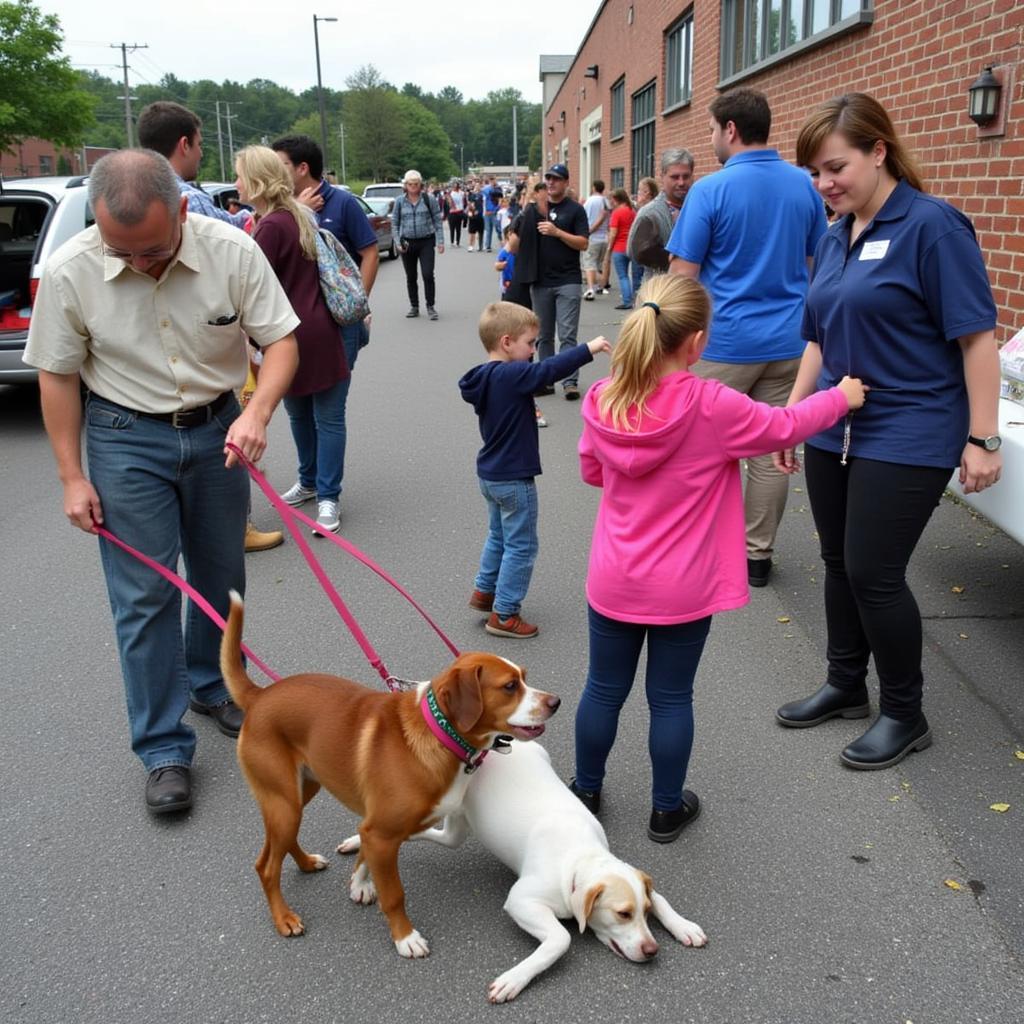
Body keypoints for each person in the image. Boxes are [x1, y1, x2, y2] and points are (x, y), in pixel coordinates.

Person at [23, 150, 299, 815]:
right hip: (124, 439)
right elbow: (57, 375)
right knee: (144, 597)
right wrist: (71, 476)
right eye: (123, 251)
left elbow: (281, 341)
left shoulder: (232, 251)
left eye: (151, 249)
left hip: (217, 431)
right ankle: (163, 748)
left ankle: (211, 683)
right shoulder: (70, 271)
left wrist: (257, 412)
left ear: (180, 209)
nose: (138, 263)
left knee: (220, 576)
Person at [570, 274, 865, 841]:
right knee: (671, 696)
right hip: (683, 585)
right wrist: (841, 396)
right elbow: (784, 424)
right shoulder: (713, 405)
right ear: (698, 342)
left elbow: (591, 472)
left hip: (614, 577)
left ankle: (585, 790)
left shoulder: (603, 398)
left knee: (603, 688)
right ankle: (664, 808)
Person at [772, 92, 1002, 769]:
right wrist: (793, 415)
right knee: (839, 562)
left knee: (874, 571)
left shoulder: (932, 226)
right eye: (815, 172)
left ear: (879, 149)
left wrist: (982, 436)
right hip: (832, 427)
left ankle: (904, 711)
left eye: (835, 166)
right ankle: (846, 684)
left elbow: (977, 338)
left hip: (910, 426)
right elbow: (816, 336)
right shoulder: (832, 231)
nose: (825, 184)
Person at [668, 89, 828, 587]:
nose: (713, 138)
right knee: (768, 451)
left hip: (724, 345)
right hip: (789, 345)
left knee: (696, 444)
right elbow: (816, 265)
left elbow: (682, 275)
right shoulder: (805, 187)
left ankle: (696, 547)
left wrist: (665, 342)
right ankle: (756, 555)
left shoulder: (710, 191)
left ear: (730, 130)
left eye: (714, 130)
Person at [138, 100, 283, 553]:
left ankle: (214, 528)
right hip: (206, 347)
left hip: (152, 370)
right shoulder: (192, 198)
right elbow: (235, 245)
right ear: (184, 144)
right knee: (221, 431)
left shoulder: (134, 192)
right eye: (200, 146)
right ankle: (230, 526)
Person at [459, 302, 611, 638]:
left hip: (490, 474)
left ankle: (485, 590)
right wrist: (589, 348)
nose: (533, 352)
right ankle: (505, 613)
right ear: (507, 342)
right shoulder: (512, 376)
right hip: (514, 477)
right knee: (522, 545)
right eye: (531, 344)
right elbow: (549, 371)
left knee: (499, 536)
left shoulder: (483, 378)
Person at [236, 146, 349, 536]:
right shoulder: (298, 215)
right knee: (322, 417)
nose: (236, 184)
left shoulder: (269, 227)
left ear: (256, 180)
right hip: (319, 328)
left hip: (286, 334)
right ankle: (320, 489)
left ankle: (322, 491)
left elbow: (249, 286)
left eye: (239, 176)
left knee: (310, 416)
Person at [270, 134, 378, 519]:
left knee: (328, 412)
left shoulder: (343, 202)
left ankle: (329, 494)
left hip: (337, 326)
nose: (273, 170)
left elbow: (369, 252)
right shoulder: (282, 208)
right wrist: (297, 211)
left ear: (301, 168)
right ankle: (309, 480)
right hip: (289, 329)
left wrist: (359, 305)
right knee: (297, 410)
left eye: (280, 164)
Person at [531, 163, 590, 401]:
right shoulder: (536, 210)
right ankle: (546, 381)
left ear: (566, 183)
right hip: (541, 281)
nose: (551, 182)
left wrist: (557, 232)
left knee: (567, 334)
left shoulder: (575, 210)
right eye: (548, 178)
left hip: (568, 280)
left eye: (556, 179)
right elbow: (517, 240)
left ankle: (570, 381)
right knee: (543, 335)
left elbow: (583, 243)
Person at [626, 149, 694, 274]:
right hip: (663, 289)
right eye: (674, 177)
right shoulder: (650, 214)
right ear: (662, 177)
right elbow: (637, 252)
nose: (681, 182)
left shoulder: (700, 207)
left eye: (686, 176)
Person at [392, 169, 445, 320]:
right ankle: (414, 306)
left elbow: (437, 221)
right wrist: (397, 242)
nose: (413, 186)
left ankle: (430, 306)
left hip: (426, 241)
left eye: (416, 184)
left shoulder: (429, 199)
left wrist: (440, 241)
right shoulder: (399, 202)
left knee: (428, 274)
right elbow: (394, 224)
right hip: (407, 243)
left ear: (420, 184)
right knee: (411, 276)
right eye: (410, 184)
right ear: (406, 185)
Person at [606, 188, 637, 310]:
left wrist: (609, 248)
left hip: (619, 247)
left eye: (611, 199)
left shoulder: (616, 213)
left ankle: (627, 301)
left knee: (623, 276)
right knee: (636, 276)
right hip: (632, 247)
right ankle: (636, 299)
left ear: (616, 199)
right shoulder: (632, 211)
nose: (610, 202)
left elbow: (613, 233)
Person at [582, 180, 611, 301]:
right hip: (604, 237)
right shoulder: (606, 201)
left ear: (593, 188)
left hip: (592, 237)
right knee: (598, 264)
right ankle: (602, 285)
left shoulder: (589, 201)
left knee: (589, 264)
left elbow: (584, 217)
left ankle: (590, 288)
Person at [483, 175, 502, 251]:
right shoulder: (485, 189)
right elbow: (483, 201)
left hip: (495, 212)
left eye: (493, 179)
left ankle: (502, 243)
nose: (492, 181)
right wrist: (484, 211)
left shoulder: (498, 189)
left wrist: (496, 209)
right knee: (488, 230)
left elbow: (500, 200)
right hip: (487, 212)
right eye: (491, 179)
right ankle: (488, 246)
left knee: (498, 228)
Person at [448, 181, 466, 246]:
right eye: (454, 186)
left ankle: (458, 242)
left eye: (457, 186)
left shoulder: (461, 193)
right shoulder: (450, 193)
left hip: (459, 212)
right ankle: (452, 242)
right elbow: (449, 203)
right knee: (452, 229)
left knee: (458, 229)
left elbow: (465, 199)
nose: (455, 187)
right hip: (452, 213)